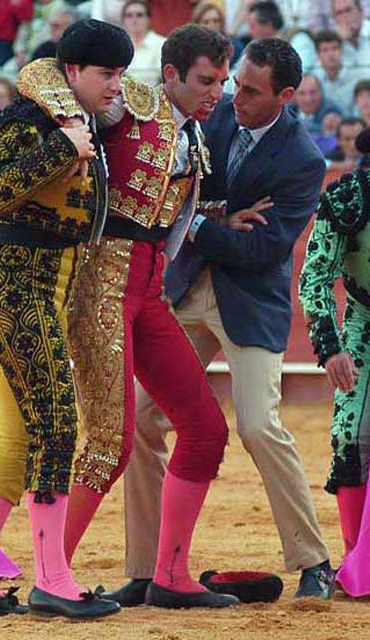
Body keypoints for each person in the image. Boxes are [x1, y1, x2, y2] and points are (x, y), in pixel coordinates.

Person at [96, 37, 336, 608]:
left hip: (250, 302)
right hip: (187, 292)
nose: (234, 97)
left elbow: (262, 250)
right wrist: (217, 216)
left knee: (258, 425)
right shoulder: (216, 116)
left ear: (285, 95)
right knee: (144, 418)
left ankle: (312, 559)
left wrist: (200, 222)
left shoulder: (303, 159)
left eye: (251, 91)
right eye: (234, 83)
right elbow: (176, 197)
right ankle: (149, 566)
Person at [17, 23, 239, 610]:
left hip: (149, 290)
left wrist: (217, 222)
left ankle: (170, 575)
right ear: (169, 76)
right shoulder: (131, 101)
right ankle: (50, 578)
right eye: (204, 80)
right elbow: (40, 71)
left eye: (222, 80)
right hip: (101, 287)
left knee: (205, 429)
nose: (216, 91)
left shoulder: (195, 135)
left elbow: (170, 214)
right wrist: (69, 122)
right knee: (108, 443)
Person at [0, 18, 134, 620]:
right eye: (106, 73)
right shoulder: (31, 122)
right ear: (72, 71)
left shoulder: (83, 126)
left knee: (19, 437)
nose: (116, 86)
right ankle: (53, 579)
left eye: (122, 74)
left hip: (42, 298)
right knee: (57, 424)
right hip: (18, 295)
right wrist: (61, 148)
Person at [299, 127, 370, 597]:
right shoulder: (348, 197)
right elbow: (315, 277)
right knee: (350, 434)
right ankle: (356, 561)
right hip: (364, 323)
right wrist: (330, 346)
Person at [313, 30, 359, 117]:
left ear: (342, 51)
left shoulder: (356, 77)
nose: (331, 54)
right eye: (325, 50)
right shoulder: (313, 79)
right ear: (318, 55)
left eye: (335, 48)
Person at [121, 0, 165, 86]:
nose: (134, 20)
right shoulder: (118, 45)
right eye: (129, 15)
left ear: (149, 19)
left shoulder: (161, 43)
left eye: (139, 15)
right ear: (123, 20)